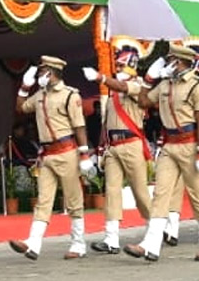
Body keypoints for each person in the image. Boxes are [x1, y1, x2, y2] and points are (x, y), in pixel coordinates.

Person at [124, 43, 199, 262]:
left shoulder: (198, 86)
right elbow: (143, 101)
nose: (167, 64)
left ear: (181, 62)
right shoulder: (166, 83)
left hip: (190, 143)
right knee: (160, 193)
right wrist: (149, 79)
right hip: (169, 144)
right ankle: (151, 244)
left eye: (171, 60)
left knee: (197, 194)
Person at [9, 56, 94, 261]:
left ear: (51, 72)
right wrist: (24, 86)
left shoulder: (69, 95)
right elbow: (20, 107)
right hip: (47, 155)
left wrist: (84, 153)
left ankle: (78, 243)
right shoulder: (39, 95)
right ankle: (33, 243)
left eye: (42, 71)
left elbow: (79, 125)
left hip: (66, 151)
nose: (39, 74)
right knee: (43, 200)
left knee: (73, 200)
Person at [85, 40, 154, 254]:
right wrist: (99, 149)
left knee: (140, 191)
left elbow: (122, 86)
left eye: (121, 64)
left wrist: (100, 78)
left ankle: (156, 229)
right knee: (112, 190)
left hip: (132, 143)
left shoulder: (137, 85)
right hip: (113, 145)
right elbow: (106, 122)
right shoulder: (113, 93)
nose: (118, 68)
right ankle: (111, 238)